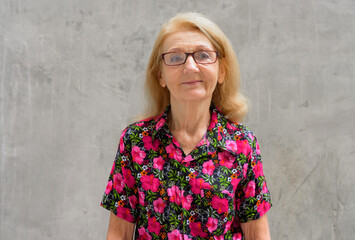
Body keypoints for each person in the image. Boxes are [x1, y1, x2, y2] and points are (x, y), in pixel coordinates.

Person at [101, 12, 272, 240]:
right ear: (160, 75)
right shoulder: (135, 141)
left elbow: (257, 235)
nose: (190, 66)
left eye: (203, 55)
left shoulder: (242, 144)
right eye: (175, 58)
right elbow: (118, 234)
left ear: (221, 70)